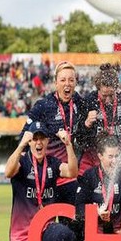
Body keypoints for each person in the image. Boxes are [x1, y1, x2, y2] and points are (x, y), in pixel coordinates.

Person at [6, 121, 78, 241]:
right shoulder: (23, 162)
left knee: (67, 236)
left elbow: (72, 172)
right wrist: (20, 145)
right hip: (23, 236)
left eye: (42, 139)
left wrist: (68, 145)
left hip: (44, 231)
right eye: (35, 139)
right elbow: (8, 172)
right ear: (30, 142)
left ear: (47, 142)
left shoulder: (52, 163)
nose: (39, 143)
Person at [22, 61, 88, 205]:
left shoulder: (80, 103)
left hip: (70, 177)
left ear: (76, 82)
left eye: (71, 80)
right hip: (47, 179)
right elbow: (24, 136)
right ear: (55, 83)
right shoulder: (44, 105)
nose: (67, 84)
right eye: (63, 80)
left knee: (71, 225)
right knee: (45, 225)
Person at [78, 63, 121, 176]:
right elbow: (79, 140)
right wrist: (86, 124)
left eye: (111, 95)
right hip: (93, 159)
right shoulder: (88, 101)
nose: (107, 100)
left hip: (116, 159)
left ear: (116, 89)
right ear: (98, 90)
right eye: (104, 95)